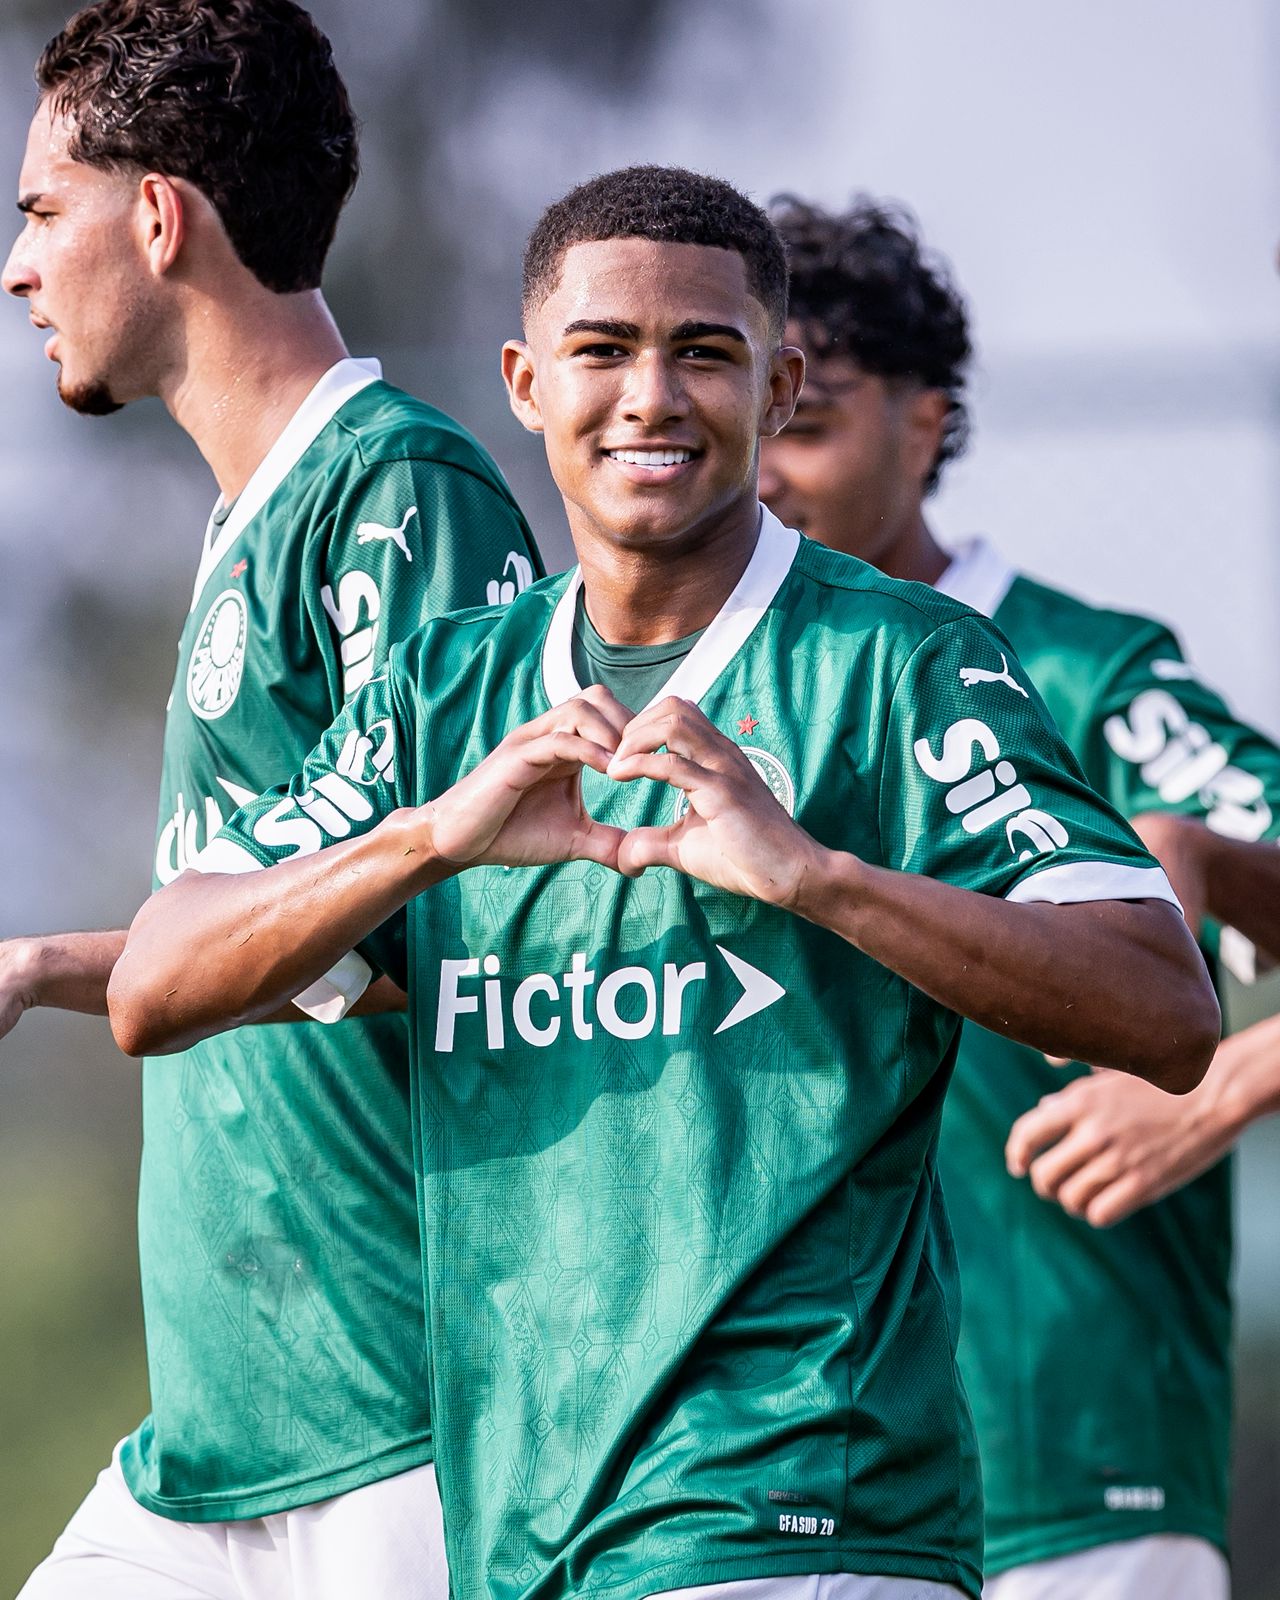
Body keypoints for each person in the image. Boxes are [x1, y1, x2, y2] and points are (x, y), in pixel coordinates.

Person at [108, 165, 1218, 1600]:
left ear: (779, 382)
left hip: (797, 1519)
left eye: (704, 353)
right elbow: (155, 981)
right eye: (602, 352)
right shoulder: (448, 688)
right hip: (520, 1536)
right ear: (521, 381)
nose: (651, 396)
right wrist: (430, 838)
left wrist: (818, 879)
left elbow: (1163, 998)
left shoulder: (900, 661)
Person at [0, 2, 540, 1595]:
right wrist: (49, 968)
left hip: (388, 1441)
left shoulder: (398, 491)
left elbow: (449, 924)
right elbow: (280, 920)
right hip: (216, 1446)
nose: (18, 269)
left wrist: (141, 965)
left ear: (156, 218)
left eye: (38, 213)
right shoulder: (262, 512)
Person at [759, 193, 1280, 1600]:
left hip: (1071, 1481)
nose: (761, 470)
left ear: (927, 423)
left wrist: (1224, 1078)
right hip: (798, 1490)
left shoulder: (1080, 673)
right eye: (744, 417)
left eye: (806, 421)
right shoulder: (699, 704)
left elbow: (1207, 856)